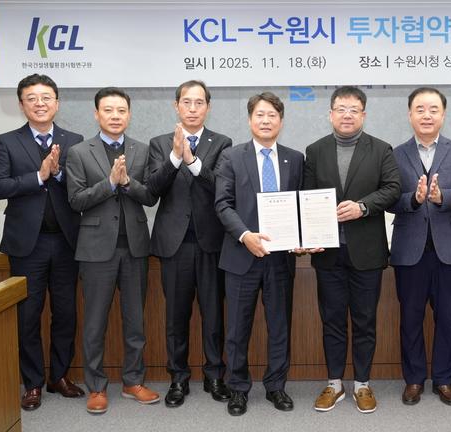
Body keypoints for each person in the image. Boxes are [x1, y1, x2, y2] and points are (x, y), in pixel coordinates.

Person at [304, 86, 401, 414]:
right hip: (328, 252)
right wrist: (307, 233)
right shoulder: (315, 150)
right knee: (331, 320)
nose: (347, 115)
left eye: (354, 109)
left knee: (364, 320)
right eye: (341, 109)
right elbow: (306, 196)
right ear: (330, 114)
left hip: (367, 253)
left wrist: (363, 206)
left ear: (363, 115)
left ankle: (362, 384)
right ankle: (334, 384)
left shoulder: (381, 149)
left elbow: (393, 188)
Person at [0, 74, 84, 410]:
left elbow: (82, 187)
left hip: (66, 242)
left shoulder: (75, 141)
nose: (40, 103)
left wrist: (58, 173)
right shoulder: (6, 141)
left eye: (46, 97)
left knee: (66, 313)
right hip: (26, 245)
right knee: (28, 316)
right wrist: (39, 176)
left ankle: (59, 376)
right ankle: (32, 383)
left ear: (57, 103)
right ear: (22, 105)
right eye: (32, 98)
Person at [66, 87, 159, 414]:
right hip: (95, 250)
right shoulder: (78, 152)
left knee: (135, 322)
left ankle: (133, 381)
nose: (115, 116)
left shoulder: (142, 150)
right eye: (108, 110)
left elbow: (150, 196)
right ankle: (96, 387)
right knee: (94, 323)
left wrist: (126, 182)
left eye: (121, 110)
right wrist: (109, 183)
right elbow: (75, 200)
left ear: (129, 115)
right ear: (97, 114)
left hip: (134, 247)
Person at [215, 92, 303, 416]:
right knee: (237, 329)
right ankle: (238, 389)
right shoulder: (231, 157)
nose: (266, 121)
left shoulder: (295, 158)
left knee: (279, 326)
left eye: (272, 115)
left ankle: (276, 386)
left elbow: (301, 203)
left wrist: (303, 236)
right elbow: (222, 204)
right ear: (250, 119)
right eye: (260, 115)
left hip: (280, 258)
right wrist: (245, 235)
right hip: (241, 256)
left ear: (281, 121)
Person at [388, 87, 451, 407]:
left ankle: (444, 379)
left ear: (443, 114)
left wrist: (442, 197)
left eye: (433, 109)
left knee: (448, 318)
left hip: (449, 250)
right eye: (420, 109)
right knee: (410, 319)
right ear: (410, 114)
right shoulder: (395, 154)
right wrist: (414, 199)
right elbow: (388, 199)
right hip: (409, 250)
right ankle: (413, 380)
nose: (427, 115)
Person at [148, 80, 232, 408]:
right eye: (187, 102)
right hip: (174, 244)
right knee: (176, 317)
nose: (193, 108)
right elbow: (153, 189)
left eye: (199, 103)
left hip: (211, 242)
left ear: (208, 107)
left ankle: (215, 375)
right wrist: (174, 157)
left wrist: (193, 160)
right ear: (176, 106)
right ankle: (178, 378)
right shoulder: (159, 144)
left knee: (213, 315)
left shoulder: (222, 143)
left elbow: (220, 186)